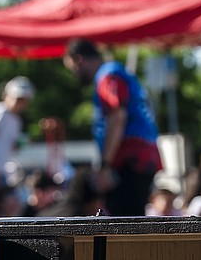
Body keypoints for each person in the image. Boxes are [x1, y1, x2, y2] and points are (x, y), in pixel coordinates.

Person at [63, 38, 162, 217]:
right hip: (141, 156)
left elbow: (117, 116)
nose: (74, 74)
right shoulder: (116, 73)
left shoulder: (108, 75)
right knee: (130, 218)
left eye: (73, 68)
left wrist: (105, 165)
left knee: (123, 223)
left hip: (131, 158)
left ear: (79, 59)